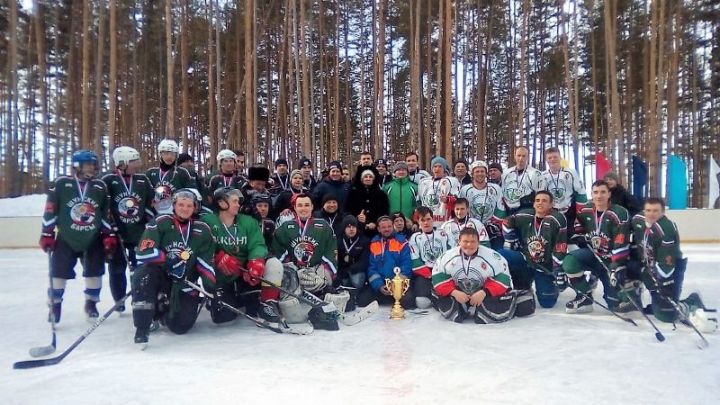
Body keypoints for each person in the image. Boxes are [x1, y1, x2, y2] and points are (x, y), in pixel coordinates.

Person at [41, 150, 118, 322]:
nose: (92, 168)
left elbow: (104, 213)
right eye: (88, 164)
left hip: (92, 238)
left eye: (94, 164)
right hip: (66, 237)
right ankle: (55, 305)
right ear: (77, 166)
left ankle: (91, 304)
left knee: (94, 272)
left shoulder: (100, 186)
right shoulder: (62, 184)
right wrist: (47, 233)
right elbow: (51, 210)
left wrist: (108, 235)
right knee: (58, 273)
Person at [131, 189, 216, 345]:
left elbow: (206, 263)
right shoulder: (160, 222)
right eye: (181, 204)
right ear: (174, 205)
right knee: (142, 275)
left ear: (195, 207)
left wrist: (212, 290)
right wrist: (167, 263)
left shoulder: (202, 229)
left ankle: (165, 310)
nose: (185, 208)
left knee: (180, 327)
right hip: (161, 278)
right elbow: (143, 253)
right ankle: (143, 327)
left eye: (189, 205)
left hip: (185, 281)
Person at [624, 198, 716, 331]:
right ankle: (642, 297)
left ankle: (691, 301)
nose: (651, 214)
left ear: (663, 211)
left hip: (670, 269)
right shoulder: (638, 219)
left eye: (656, 211)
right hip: (648, 267)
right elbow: (626, 229)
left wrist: (665, 283)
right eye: (648, 210)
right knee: (625, 266)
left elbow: (667, 263)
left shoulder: (666, 228)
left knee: (667, 315)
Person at [200, 187, 283, 326]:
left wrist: (256, 261)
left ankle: (268, 305)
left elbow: (257, 243)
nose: (238, 205)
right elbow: (199, 246)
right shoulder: (207, 221)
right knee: (223, 317)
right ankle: (222, 297)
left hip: (245, 272)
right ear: (221, 203)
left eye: (238, 202)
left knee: (274, 264)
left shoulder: (248, 222)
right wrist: (216, 257)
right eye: (234, 201)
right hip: (221, 275)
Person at [432, 227, 535, 323]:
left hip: (485, 293)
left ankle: (516, 299)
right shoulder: (446, 257)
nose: (469, 245)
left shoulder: (492, 256)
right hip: (460, 293)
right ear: (459, 241)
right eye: (465, 241)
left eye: (473, 242)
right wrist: (454, 292)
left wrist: (484, 292)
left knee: (483, 317)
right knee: (454, 314)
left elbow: (503, 279)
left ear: (478, 242)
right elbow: (438, 278)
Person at [271, 194, 342, 329]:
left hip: (315, 272)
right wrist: (291, 270)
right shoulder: (285, 227)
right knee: (291, 310)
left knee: (324, 287)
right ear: (295, 208)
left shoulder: (323, 226)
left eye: (306, 205)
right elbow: (278, 249)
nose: (303, 209)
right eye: (300, 205)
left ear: (312, 207)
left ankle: (321, 294)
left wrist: (324, 272)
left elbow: (331, 250)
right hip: (294, 274)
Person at [562, 180, 630, 313]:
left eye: (603, 192)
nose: (599, 196)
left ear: (609, 194)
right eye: (596, 192)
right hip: (594, 256)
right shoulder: (585, 210)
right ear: (592, 194)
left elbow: (621, 242)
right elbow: (578, 227)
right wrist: (580, 236)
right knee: (570, 261)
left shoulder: (619, 213)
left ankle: (630, 288)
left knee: (615, 306)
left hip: (611, 262)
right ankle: (585, 297)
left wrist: (616, 267)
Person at [102, 146, 154, 312]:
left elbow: (150, 201)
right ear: (121, 163)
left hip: (139, 232)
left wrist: (149, 218)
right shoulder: (108, 180)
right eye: (133, 161)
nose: (137, 164)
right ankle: (119, 299)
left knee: (139, 269)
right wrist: (110, 227)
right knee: (117, 269)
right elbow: (103, 207)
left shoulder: (142, 179)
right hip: (118, 233)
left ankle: (138, 297)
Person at [500, 191, 567, 309]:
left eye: (544, 201)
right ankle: (522, 283)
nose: (540, 203)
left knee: (547, 303)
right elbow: (506, 222)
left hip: (545, 267)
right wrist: (511, 240)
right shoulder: (525, 216)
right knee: (501, 254)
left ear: (551, 204)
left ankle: (552, 288)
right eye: (537, 200)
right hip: (526, 259)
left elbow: (561, 246)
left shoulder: (557, 219)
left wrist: (557, 270)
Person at [357, 216, 415, 309]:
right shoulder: (374, 243)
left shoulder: (402, 242)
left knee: (408, 302)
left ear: (393, 226)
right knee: (362, 300)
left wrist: (396, 284)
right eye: (383, 227)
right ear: (379, 229)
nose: (387, 229)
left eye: (389, 226)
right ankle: (388, 296)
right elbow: (372, 268)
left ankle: (391, 297)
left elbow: (407, 264)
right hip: (382, 282)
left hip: (398, 281)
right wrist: (379, 285)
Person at [409, 207, 451, 309]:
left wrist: (442, 272)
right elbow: (415, 260)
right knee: (421, 303)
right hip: (425, 274)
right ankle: (433, 296)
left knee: (449, 299)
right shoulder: (415, 237)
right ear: (418, 222)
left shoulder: (444, 234)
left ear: (433, 219)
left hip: (442, 272)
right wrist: (429, 275)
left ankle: (438, 297)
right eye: (422, 220)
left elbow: (451, 254)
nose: (426, 223)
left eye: (428, 219)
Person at [543, 147, 587, 237]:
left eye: (555, 157)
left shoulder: (571, 172)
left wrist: (580, 216)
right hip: (552, 212)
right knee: (553, 237)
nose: (552, 159)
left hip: (569, 212)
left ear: (560, 158)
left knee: (571, 238)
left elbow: (581, 193)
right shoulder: (543, 175)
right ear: (546, 160)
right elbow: (541, 196)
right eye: (549, 158)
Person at [494, 146, 546, 222]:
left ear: (528, 157)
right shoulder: (506, 173)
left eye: (524, 156)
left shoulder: (535, 174)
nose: (521, 158)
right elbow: (502, 191)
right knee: (509, 233)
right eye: (519, 155)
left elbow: (541, 195)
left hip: (526, 211)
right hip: (508, 211)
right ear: (515, 156)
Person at [459, 161, 503, 248]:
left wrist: (494, 224)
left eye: (482, 171)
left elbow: (501, 208)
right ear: (472, 174)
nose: (480, 174)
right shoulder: (465, 189)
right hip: (472, 227)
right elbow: (462, 208)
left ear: (486, 173)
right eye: (477, 171)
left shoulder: (495, 188)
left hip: (491, 228)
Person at [146, 139, 195, 215]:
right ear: (160, 154)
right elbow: (146, 194)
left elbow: (190, 194)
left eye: (172, 154)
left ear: (176, 156)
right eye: (166, 153)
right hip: (154, 213)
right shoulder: (151, 172)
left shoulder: (183, 172)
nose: (169, 157)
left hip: (176, 214)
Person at [417, 156, 461, 229]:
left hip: (443, 222)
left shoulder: (451, 181)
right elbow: (419, 201)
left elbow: (457, 199)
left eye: (440, 166)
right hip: (426, 222)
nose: (437, 169)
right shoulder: (424, 182)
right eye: (435, 166)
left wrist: (447, 199)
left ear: (444, 168)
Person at [345, 166, 390, 237]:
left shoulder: (381, 194)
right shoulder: (353, 193)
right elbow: (348, 210)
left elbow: (384, 212)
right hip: (357, 229)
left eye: (370, 177)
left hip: (376, 230)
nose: (368, 178)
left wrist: (376, 222)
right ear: (362, 179)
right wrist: (357, 218)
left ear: (373, 179)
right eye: (365, 176)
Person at [336, 215, 370, 294]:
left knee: (357, 280)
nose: (351, 229)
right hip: (343, 270)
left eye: (354, 226)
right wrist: (341, 271)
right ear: (344, 228)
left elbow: (365, 260)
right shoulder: (338, 241)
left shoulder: (364, 240)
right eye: (348, 227)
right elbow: (336, 260)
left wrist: (351, 269)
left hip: (357, 270)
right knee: (340, 280)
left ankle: (357, 293)